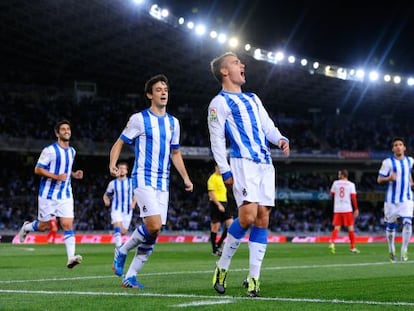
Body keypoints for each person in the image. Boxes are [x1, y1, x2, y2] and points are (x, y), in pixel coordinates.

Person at [207, 52, 290, 297]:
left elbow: (268, 127)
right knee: (247, 217)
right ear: (224, 72)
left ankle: (254, 278)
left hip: (265, 163)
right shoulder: (218, 103)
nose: (242, 64)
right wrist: (224, 170)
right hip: (242, 162)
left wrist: (281, 139)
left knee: (263, 218)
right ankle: (221, 268)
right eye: (235, 62)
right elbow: (217, 140)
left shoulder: (253, 99)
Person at [109, 74, 193, 289]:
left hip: (162, 182)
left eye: (165, 89)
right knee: (153, 225)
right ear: (149, 94)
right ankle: (123, 250)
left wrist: (185, 177)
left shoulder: (174, 123)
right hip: (143, 178)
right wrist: (113, 163)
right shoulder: (139, 119)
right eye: (158, 89)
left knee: (154, 231)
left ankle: (130, 276)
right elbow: (120, 142)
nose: (163, 92)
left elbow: (175, 153)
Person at [18, 120, 84, 269]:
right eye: (63, 129)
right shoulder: (50, 150)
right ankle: (27, 227)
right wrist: (55, 177)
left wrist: (74, 174)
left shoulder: (72, 151)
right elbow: (38, 169)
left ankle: (71, 257)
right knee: (43, 226)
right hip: (48, 195)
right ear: (57, 133)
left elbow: (65, 171)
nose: (67, 131)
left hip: (66, 194)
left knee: (67, 224)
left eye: (68, 129)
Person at [377, 137, 413, 263]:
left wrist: (411, 181)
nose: (398, 146)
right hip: (391, 201)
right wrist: (389, 178)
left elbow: (408, 173)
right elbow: (379, 179)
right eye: (396, 145)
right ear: (393, 149)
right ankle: (392, 250)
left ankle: (404, 251)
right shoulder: (387, 162)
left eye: (400, 144)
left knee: (408, 222)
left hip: (407, 199)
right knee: (391, 227)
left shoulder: (410, 161)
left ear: (404, 148)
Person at [103, 161, 136, 248]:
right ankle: (118, 247)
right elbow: (106, 195)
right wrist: (106, 200)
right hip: (116, 208)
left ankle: (117, 237)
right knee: (117, 224)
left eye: (123, 168)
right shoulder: (112, 183)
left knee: (124, 231)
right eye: (119, 168)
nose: (121, 170)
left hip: (128, 209)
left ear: (127, 171)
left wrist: (134, 203)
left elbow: (135, 194)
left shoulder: (131, 182)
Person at [328, 169, 360, 254]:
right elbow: (353, 197)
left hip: (337, 209)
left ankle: (332, 243)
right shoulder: (351, 184)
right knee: (350, 228)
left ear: (342, 175)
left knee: (336, 228)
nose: (338, 176)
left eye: (339, 174)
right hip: (347, 209)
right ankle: (352, 247)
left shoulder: (335, 183)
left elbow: (331, 194)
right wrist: (356, 208)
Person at [207, 162, 233, 256]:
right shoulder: (212, 178)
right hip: (216, 204)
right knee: (215, 226)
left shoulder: (223, 177)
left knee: (230, 225)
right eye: (219, 167)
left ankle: (219, 243)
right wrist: (218, 205)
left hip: (225, 203)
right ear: (216, 167)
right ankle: (214, 249)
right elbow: (211, 193)